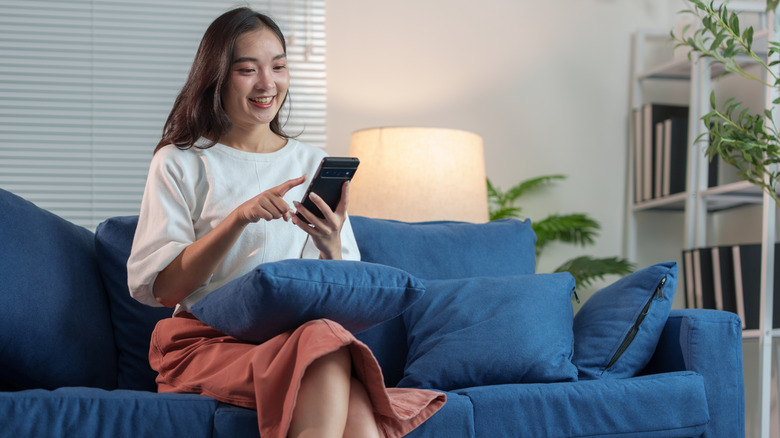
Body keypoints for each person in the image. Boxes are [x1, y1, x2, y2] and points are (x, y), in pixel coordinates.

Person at [126, 7, 445, 438]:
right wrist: (238, 218)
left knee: (332, 354)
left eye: (278, 66)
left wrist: (331, 244)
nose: (267, 84)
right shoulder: (181, 162)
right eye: (246, 69)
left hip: (298, 339)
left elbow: (342, 296)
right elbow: (164, 291)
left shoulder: (310, 162)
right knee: (335, 365)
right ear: (217, 76)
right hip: (205, 344)